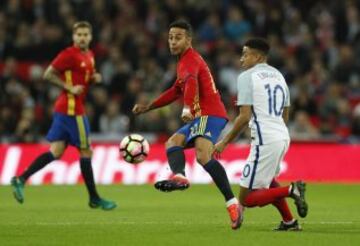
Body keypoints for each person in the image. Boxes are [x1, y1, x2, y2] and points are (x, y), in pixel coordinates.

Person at [132, 19, 241, 229]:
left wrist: (186, 108)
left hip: (210, 114)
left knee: (202, 155)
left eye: (178, 38)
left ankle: (232, 204)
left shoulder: (190, 60)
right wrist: (149, 107)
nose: (173, 42)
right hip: (201, 115)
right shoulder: (183, 61)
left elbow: (190, 82)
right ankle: (180, 176)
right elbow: (175, 91)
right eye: (170, 38)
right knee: (172, 143)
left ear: (189, 40)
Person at [10, 21, 116, 210]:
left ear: (90, 37)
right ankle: (95, 198)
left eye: (85, 34)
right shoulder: (68, 55)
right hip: (72, 110)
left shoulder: (90, 56)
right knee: (85, 151)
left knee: (56, 151)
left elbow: (83, 78)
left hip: (65, 109)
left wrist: (94, 78)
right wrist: (69, 88)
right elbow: (48, 74)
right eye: (79, 35)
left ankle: (21, 178)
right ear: (74, 37)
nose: (82, 37)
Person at [214, 38, 308, 230]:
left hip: (266, 139)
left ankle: (292, 190)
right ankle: (289, 222)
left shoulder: (247, 77)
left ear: (257, 57)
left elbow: (243, 116)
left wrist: (224, 142)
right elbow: (286, 113)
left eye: (245, 54)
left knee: (247, 198)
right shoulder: (279, 76)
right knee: (270, 181)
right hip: (282, 136)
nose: (241, 59)